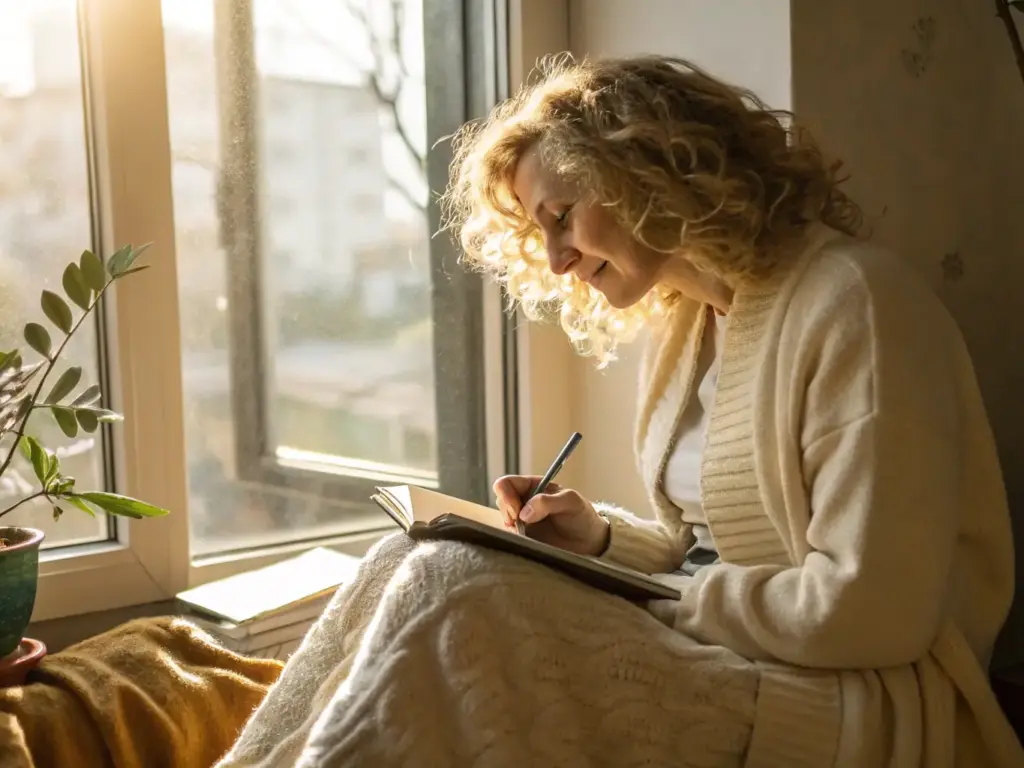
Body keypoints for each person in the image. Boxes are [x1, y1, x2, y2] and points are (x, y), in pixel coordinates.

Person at [217, 55, 1022, 767]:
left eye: (561, 216)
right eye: (541, 233)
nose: (557, 258)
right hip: (739, 646)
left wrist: (657, 599)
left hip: (854, 699)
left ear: (648, 168)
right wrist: (600, 542)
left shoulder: (856, 304)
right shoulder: (686, 328)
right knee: (404, 558)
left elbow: (874, 614)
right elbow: (703, 550)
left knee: (454, 587)